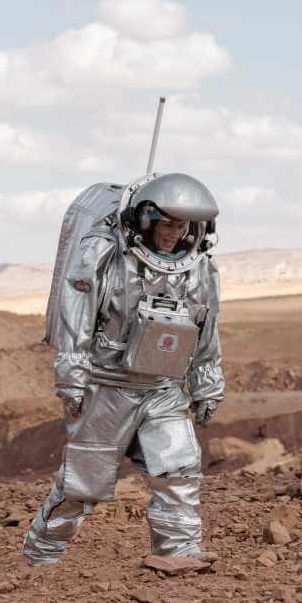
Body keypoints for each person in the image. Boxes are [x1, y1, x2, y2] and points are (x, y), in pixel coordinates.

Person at [22, 172, 225, 565]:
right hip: (106, 385)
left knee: (179, 471)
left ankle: (179, 551)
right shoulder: (104, 254)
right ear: (145, 219)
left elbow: (206, 327)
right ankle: (40, 558)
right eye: (166, 225)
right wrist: (72, 378)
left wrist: (207, 383)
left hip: (163, 386)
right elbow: (77, 318)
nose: (173, 235)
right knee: (82, 486)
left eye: (181, 227)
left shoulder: (199, 268)